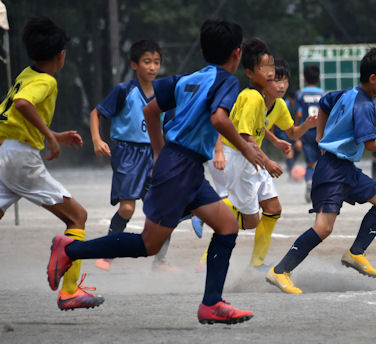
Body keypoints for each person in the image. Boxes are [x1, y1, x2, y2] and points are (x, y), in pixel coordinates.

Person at [47, 18, 264, 324]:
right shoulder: (227, 81)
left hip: (185, 167)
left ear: (203, 51)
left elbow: (151, 110)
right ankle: (71, 249)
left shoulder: (187, 79)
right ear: (237, 53)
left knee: (227, 226)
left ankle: (212, 304)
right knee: (148, 244)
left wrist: (161, 151)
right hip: (180, 168)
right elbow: (219, 119)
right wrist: (246, 148)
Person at [265, 47, 376, 294]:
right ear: (374, 78)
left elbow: (325, 102)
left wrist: (320, 135)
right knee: (323, 228)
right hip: (332, 171)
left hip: (345, 167)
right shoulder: (364, 105)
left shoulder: (350, 93)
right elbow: (370, 143)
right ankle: (280, 271)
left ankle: (355, 253)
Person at [0, 17, 104, 310]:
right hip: (21, 160)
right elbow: (22, 104)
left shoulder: (26, 74)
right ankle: (70, 292)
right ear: (61, 55)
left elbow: (15, 116)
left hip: (7, 152)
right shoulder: (47, 81)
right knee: (77, 217)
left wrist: (55, 135)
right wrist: (49, 136)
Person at [194, 55, 316, 270]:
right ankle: (204, 217)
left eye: (285, 80)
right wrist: (264, 160)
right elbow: (239, 130)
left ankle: (256, 263)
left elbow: (289, 132)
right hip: (235, 154)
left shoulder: (278, 104)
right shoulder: (252, 98)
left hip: (251, 156)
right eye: (276, 80)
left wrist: (304, 126)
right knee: (244, 216)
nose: (281, 85)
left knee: (273, 209)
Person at [89, 39, 177, 272]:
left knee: (165, 210)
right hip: (127, 153)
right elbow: (96, 113)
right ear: (135, 64)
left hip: (154, 153)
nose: (152, 67)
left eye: (156, 62)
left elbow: (170, 127)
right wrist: (97, 139)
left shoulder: (164, 93)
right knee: (127, 208)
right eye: (147, 61)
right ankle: (108, 252)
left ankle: (160, 261)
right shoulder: (124, 90)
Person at [295, 64, 325, 202]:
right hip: (320, 132)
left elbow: (299, 114)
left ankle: (308, 181)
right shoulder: (323, 94)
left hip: (306, 131)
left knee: (310, 163)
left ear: (305, 79)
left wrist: (297, 132)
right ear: (318, 79)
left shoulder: (300, 94)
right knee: (322, 162)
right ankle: (320, 188)